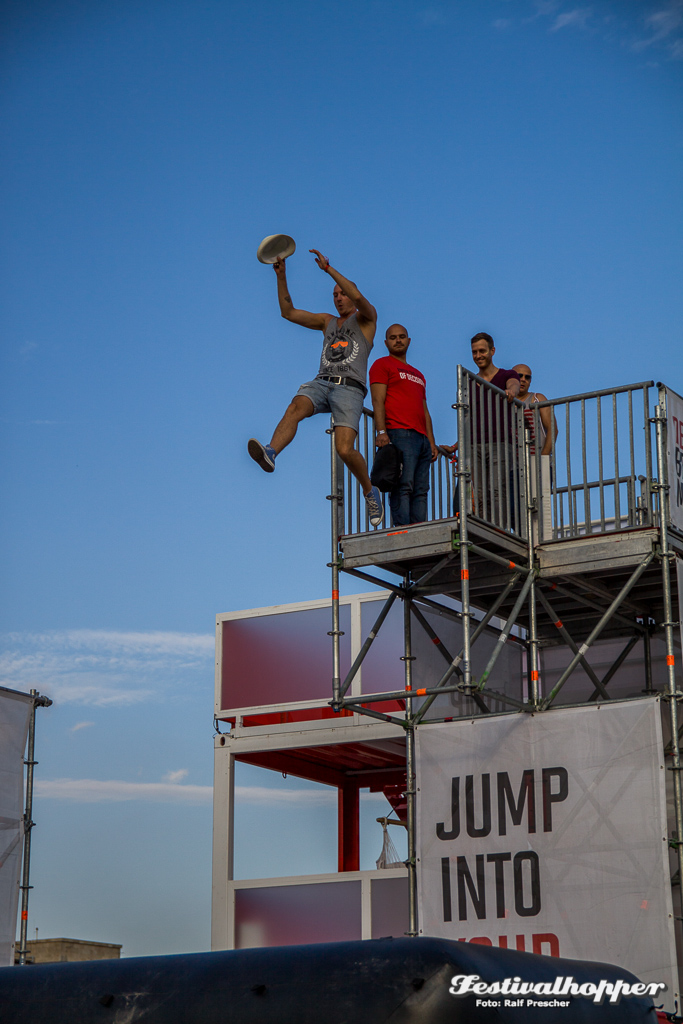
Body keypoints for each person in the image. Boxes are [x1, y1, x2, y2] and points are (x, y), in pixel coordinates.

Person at [247, 249, 384, 527]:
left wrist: (329, 270)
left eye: (341, 293)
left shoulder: (367, 319)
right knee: (296, 406)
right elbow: (288, 312)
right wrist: (281, 275)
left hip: (350, 388)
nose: (338, 297)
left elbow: (358, 298)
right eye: (334, 294)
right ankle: (271, 452)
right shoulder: (326, 322)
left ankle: (370, 491)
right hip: (323, 382)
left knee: (344, 449)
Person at [442, 333, 520, 527]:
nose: (478, 355)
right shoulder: (468, 383)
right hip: (474, 444)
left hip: (499, 442)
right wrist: (457, 445)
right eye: (474, 352)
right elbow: (469, 419)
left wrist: (511, 391)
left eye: (482, 351)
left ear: (492, 351)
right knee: (479, 492)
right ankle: (485, 529)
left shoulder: (505, 375)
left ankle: (498, 529)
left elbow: (514, 384)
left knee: (497, 490)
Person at [369, 324, 438, 526]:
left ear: (409, 341)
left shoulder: (418, 374)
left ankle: (419, 531)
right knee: (403, 485)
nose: (398, 340)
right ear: (386, 342)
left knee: (421, 489)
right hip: (399, 433)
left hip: (422, 439)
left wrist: (431, 442)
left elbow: (424, 410)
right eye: (393, 337)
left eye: (401, 337)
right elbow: (377, 400)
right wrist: (381, 431)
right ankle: (404, 532)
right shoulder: (382, 365)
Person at [512, 364, 558, 456]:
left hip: (536, 461)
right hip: (511, 464)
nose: (523, 379)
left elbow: (552, 429)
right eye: (519, 375)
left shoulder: (537, 399)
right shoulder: (503, 401)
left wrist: (543, 457)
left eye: (527, 377)